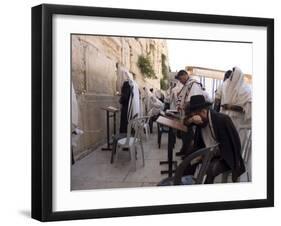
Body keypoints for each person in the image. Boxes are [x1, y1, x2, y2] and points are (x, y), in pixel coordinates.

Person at [183, 95, 245, 183]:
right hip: (207, 151)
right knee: (187, 161)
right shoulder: (199, 119)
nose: (196, 121)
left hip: (224, 156)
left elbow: (229, 147)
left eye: (195, 115)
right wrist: (192, 119)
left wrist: (207, 155)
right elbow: (185, 122)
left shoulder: (222, 120)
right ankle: (186, 185)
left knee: (209, 169)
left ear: (203, 111)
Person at [175, 70, 209, 157]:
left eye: (180, 78)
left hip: (192, 112)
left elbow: (193, 100)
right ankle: (184, 150)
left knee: (189, 135)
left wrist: (187, 108)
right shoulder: (188, 84)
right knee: (184, 133)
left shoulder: (194, 84)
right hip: (186, 112)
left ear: (185, 75)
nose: (180, 81)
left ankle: (188, 153)